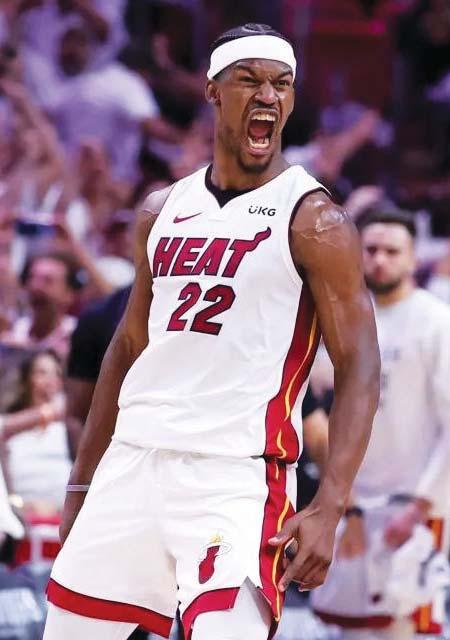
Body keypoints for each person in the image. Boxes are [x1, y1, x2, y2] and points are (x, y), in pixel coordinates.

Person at [43, 23, 380, 640]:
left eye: (282, 84)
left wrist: (331, 503)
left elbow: (360, 363)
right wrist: (82, 482)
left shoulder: (314, 220)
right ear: (212, 92)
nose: (268, 96)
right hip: (133, 460)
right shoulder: (161, 209)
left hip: (235, 474)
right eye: (249, 80)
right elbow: (128, 348)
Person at [312, 207, 450, 639]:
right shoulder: (341, 321)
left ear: (413, 258)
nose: (380, 260)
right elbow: (318, 414)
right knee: (350, 630)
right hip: (350, 506)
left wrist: (422, 506)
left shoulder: (437, 322)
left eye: (392, 251)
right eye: (371, 250)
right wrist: (342, 503)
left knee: (407, 628)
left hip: (413, 507)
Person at [0, 349, 70, 512]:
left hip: (63, 511)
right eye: (42, 373)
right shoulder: (9, 425)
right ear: (27, 380)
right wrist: (48, 412)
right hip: (20, 511)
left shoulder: (68, 425)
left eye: (57, 374)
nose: (50, 380)